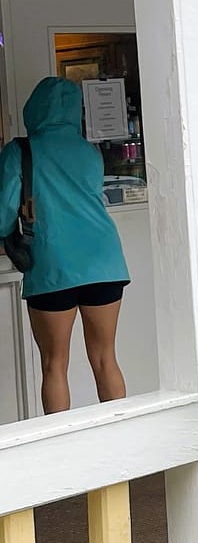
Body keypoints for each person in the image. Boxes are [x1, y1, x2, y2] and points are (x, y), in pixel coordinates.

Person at [0, 77, 129, 414]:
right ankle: (123, 445)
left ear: (34, 108)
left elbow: (3, 211)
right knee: (105, 358)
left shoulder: (19, 151)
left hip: (52, 265)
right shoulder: (89, 150)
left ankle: (65, 454)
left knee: (54, 365)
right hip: (105, 263)